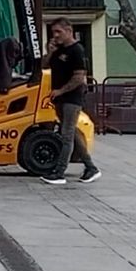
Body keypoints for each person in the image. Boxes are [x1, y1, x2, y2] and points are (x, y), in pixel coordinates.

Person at [42, 18, 99, 185]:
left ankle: (59, 173)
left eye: (58, 32)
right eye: (53, 32)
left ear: (69, 31)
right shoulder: (58, 50)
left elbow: (79, 77)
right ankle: (91, 167)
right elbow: (45, 66)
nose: (55, 35)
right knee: (72, 133)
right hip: (59, 99)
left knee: (66, 135)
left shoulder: (77, 50)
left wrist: (61, 90)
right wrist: (50, 52)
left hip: (72, 99)